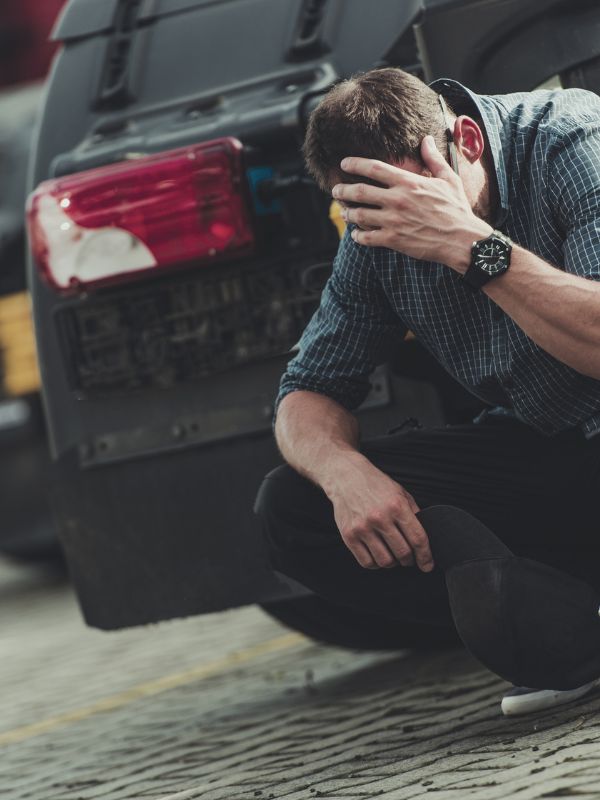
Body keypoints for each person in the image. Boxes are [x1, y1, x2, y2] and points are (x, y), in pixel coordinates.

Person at [253, 68, 600, 715]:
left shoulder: (571, 141)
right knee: (291, 509)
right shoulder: (374, 232)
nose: (397, 224)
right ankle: (572, 633)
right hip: (549, 449)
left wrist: (471, 245)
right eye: (365, 206)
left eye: (406, 198)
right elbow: (304, 392)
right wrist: (341, 472)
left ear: (464, 139)